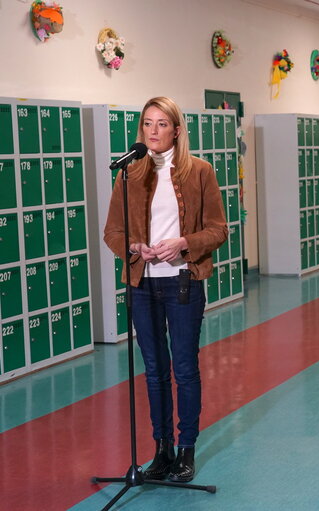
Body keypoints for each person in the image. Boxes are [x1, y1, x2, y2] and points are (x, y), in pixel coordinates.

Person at [104, 96, 228, 482]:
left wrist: (182, 243)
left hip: (182, 283)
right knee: (155, 370)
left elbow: (219, 230)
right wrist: (133, 248)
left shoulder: (200, 172)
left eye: (162, 124)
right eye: (147, 124)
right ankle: (162, 450)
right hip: (142, 284)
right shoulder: (128, 174)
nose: (153, 132)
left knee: (185, 369)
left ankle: (186, 450)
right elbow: (113, 231)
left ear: (176, 129)